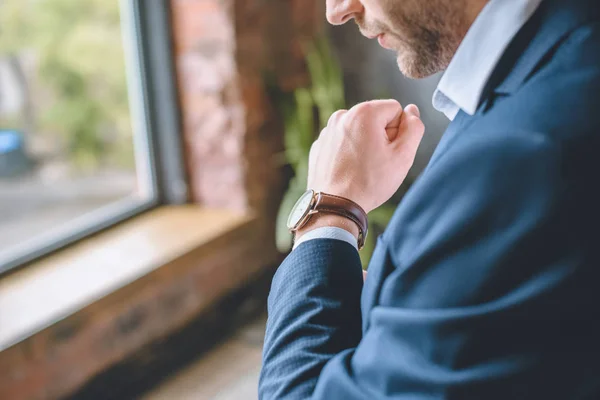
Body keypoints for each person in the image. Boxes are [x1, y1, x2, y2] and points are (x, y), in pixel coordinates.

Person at [259, 0, 600, 398]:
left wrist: (329, 212)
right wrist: (409, 299)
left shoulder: (518, 160)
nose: (337, 10)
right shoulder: (568, 43)